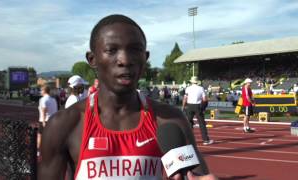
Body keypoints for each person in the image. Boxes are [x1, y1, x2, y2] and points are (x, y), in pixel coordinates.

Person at [38, 14, 216, 180]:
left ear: (145, 58)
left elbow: (196, 176)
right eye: (111, 50)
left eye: (135, 50)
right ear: (92, 59)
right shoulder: (64, 124)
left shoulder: (170, 120)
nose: (124, 60)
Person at [182, 76, 214, 145]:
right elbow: (205, 99)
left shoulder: (188, 88)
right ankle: (205, 140)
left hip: (189, 106)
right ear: (197, 82)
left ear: (191, 82)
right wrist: (203, 108)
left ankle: (188, 140)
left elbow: (185, 98)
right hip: (197, 106)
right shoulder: (201, 88)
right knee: (202, 123)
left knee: (189, 123)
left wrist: (183, 107)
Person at [38, 85, 58, 152]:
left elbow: (44, 110)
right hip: (53, 120)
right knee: (51, 136)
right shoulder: (53, 99)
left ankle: (39, 151)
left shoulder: (43, 99)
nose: (40, 92)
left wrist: (43, 121)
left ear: (44, 91)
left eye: (41, 90)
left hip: (45, 120)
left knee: (40, 136)